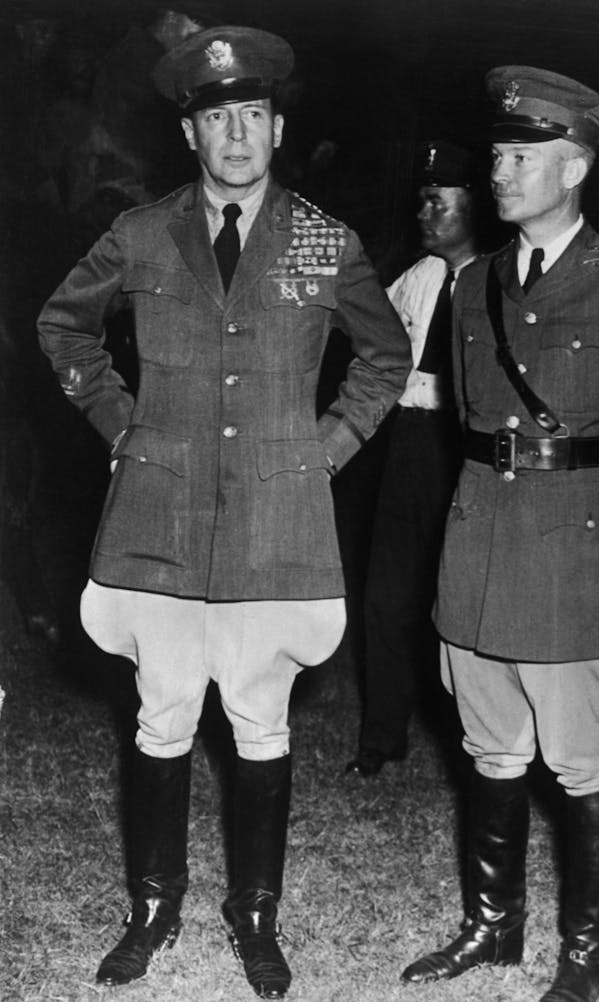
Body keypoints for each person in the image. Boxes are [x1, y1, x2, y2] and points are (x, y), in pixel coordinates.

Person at [37, 25, 410, 1000]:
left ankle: (255, 919)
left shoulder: (327, 240)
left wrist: (326, 448)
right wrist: (119, 421)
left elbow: (385, 355)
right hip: (157, 523)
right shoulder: (141, 232)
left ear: (278, 128)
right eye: (217, 119)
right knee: (160, 719)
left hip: (272, 533)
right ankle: (153, 909)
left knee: (259, 722)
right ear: (191, 135)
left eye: (253, 116)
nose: (236, 134)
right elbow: (62, 323)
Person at [400, 66, 599, 1002]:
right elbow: (468, 428)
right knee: (491, 750)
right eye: (498, 154)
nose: (501, 170)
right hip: (478, 548)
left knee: (583, 760)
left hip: (578, 556)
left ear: (573, 169)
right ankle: (493, 929)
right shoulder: (474, 284)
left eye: (522, 156)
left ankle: (585, 950)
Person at [345, 140, 482, 777]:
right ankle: (382, 735)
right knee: (386, 593)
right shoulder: (417, 277)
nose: (423, 213)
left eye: (437, 200)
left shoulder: (503, 283)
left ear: (475, 206)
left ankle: (479, 742)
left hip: (472, 451)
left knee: (466, 600)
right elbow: (362, 333)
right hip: (408, 442)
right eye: (420, 199)